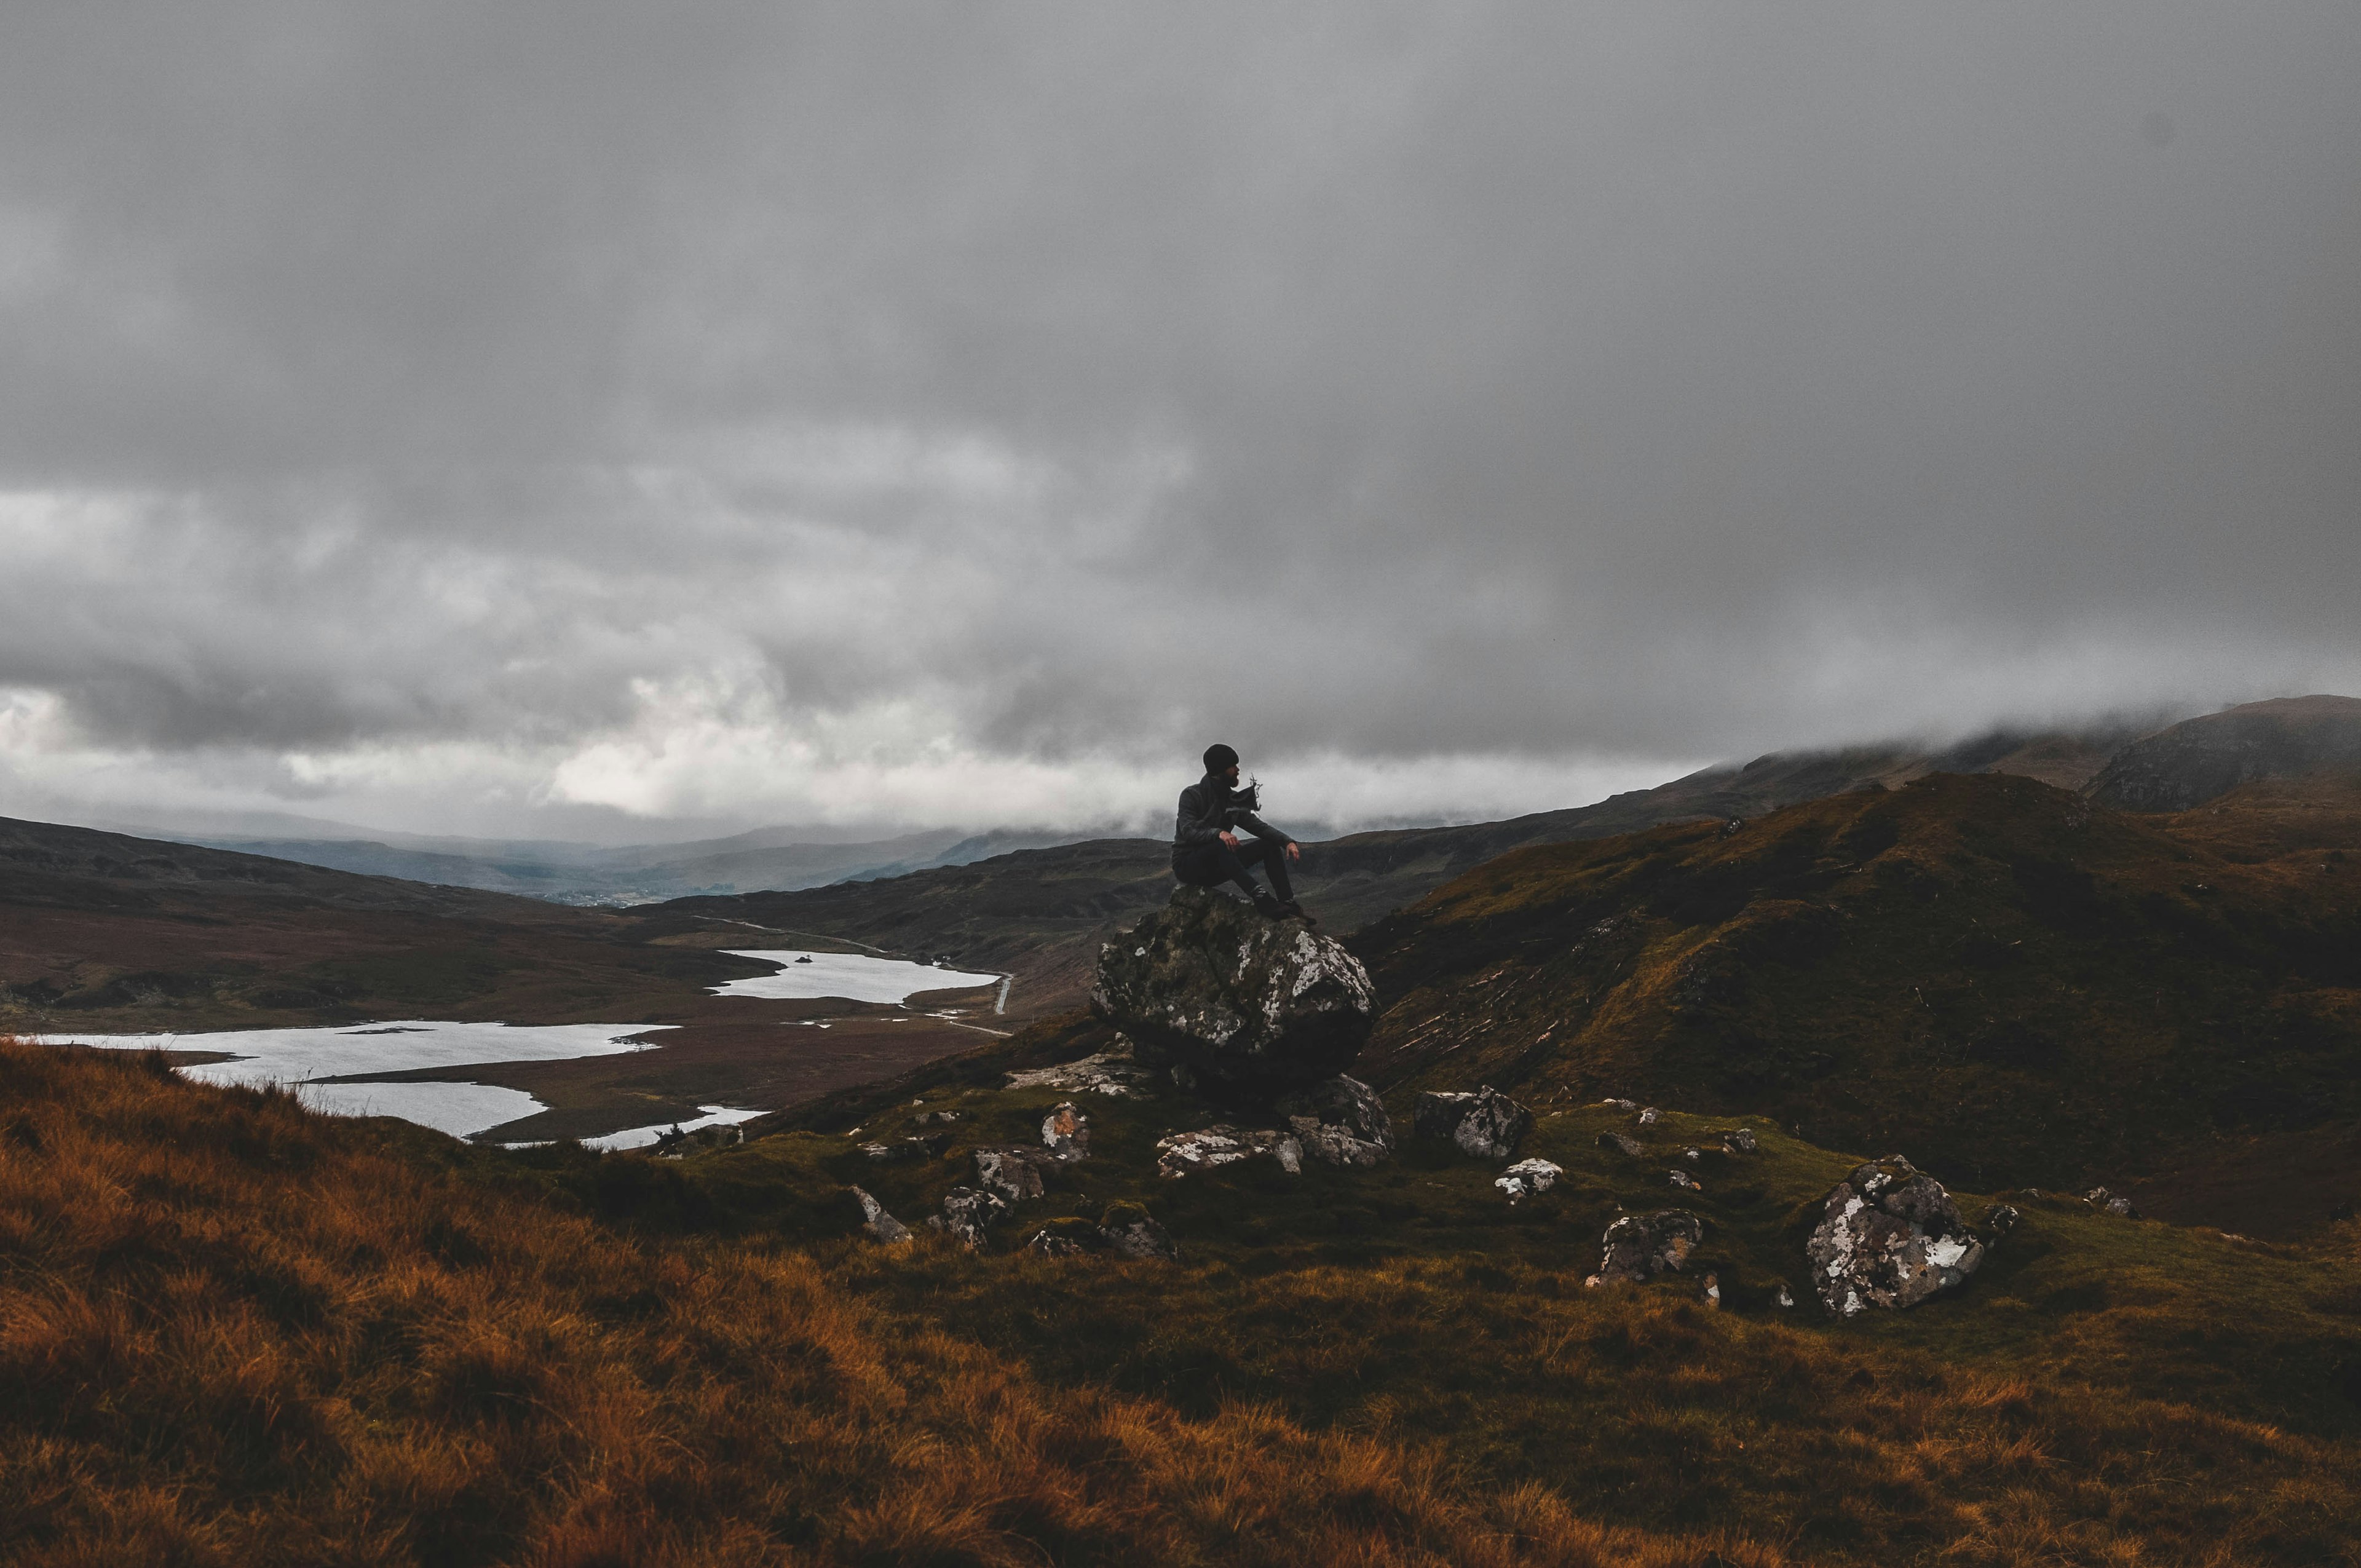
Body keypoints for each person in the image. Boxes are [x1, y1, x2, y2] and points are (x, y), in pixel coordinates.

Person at [1171, 743, 1312, 922]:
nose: (1238, 770)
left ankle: (1288, 902)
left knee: (1269, 845)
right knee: (1220, 845)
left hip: (1217, 864)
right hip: (1188, 867)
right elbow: (1189, 831)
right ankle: (1262, 899)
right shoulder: (1191, 795)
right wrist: (1218, 833)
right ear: (1220, 770)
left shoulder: (1232, 800)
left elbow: (1258, 827)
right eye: (1233, 766)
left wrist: (1287, 841)